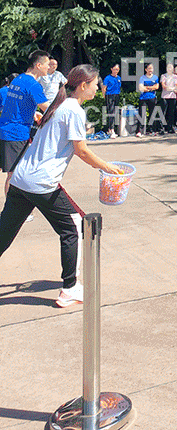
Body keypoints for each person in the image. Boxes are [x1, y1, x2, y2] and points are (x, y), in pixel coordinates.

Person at [0, 65, 121, 307]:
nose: (97, 88)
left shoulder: (58, 105)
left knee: (4, 232)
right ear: (83, 85)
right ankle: (70, 288)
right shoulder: (73, 110)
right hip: (41, 183)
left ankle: (70, 286)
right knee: (74, 227)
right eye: (95, 84)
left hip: (21, 180)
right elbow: (81, 151)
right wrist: (107, 167)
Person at [0, 51, 50, 198]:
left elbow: (15, 104)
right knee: (14, 175)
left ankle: (13, 208)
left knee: (15, 173)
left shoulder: (18, 79)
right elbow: (48, 108)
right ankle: (11, 209)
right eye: (47, 64)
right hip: (16, 133)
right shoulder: (33, 85)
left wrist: (32, 113)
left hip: (8, 130)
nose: (49, 67)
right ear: (38, 65)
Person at [137, 63, 160, 136]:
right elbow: (141, 88)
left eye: (152, 68)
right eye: (149, 68)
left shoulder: (155, 77)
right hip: (143, 98)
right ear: (146, 69)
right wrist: (151, 88)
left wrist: (147, 88)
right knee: (141, 114)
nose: (151, 70)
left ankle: (152, 130)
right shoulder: (142, 78)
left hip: (152, 98)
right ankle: (139, 131)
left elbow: (157, 87)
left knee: (152, 114)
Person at [102, 64, 122, 138]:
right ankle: (111, 129)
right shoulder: (108, 78)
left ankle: (113, 129)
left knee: (116, 112)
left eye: (117, 69)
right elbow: (104, 88)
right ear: (111, 69)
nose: (116, 71)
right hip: (109, 95)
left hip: (117, 95)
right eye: (114, 69)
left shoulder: (119, 78)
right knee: (111, 112)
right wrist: (105, 96)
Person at [160, 63, 177, 134]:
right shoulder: (163, 76)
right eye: (168, 67)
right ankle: (161, 128)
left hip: (172, 97)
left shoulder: (175, 77)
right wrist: (173, 89)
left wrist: (171, 88)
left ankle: (170, 128)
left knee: (171, 113)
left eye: (171, 67)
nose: (169, 69)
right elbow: (164, 86)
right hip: (165, 96)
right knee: (163, 113)